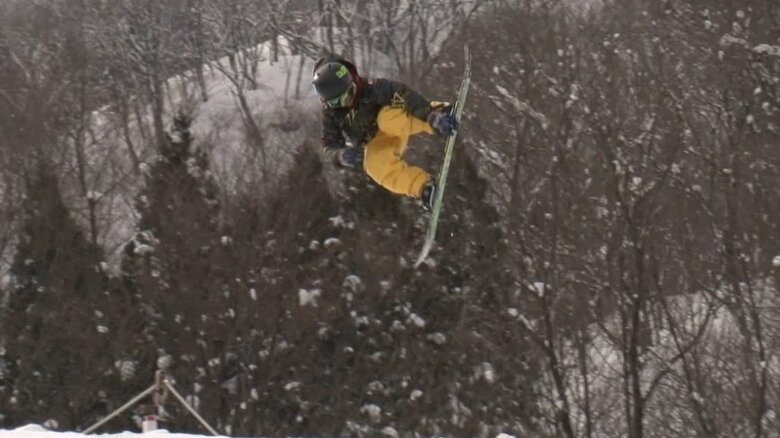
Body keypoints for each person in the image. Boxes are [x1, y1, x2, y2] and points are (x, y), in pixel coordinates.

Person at [312, 54, 458, 210]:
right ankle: (422, 186)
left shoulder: (371, 88)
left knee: (387, 120)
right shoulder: (331, 114)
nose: (349, 99)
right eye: (340, 100)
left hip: (395, 120)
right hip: (378, 140)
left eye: (350, 91)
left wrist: (431, 115)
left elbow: (404, 95)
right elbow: (329, 144)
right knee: (373, 164)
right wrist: (340, 157)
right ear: (328, 102)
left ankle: (439, 116)